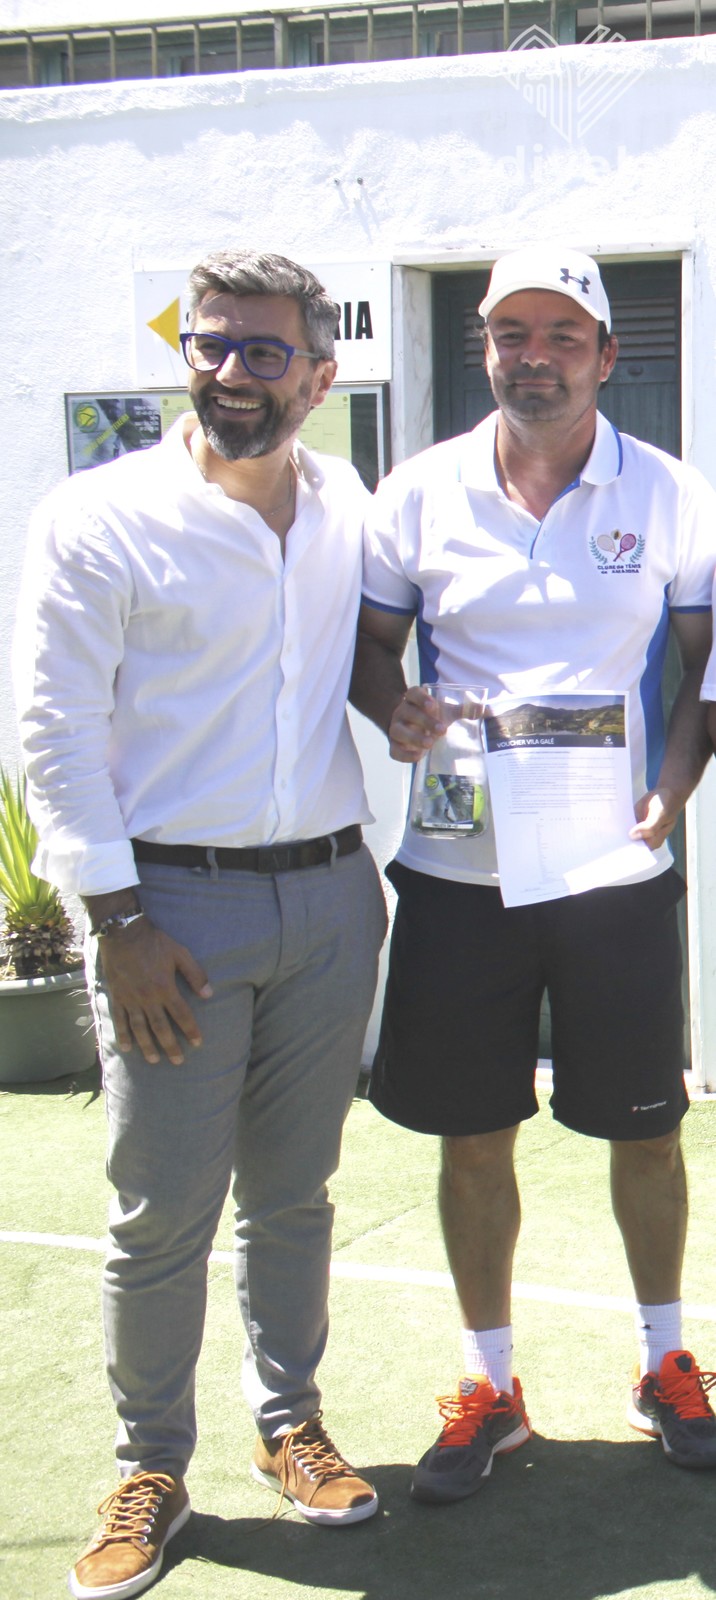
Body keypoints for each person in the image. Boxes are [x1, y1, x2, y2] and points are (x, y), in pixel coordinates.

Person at [14, 249, 387, 1600]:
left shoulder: (348, 507)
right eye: (209, 344)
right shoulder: (99, 517)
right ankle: (150, 1467)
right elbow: (53, 732)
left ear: (318, 377)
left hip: (334, 897)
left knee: (293, 1194)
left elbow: (366, 654)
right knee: (162, 1207)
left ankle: (290, 1426)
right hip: (169, 911)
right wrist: (114, 919)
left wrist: (408, 705)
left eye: (261, 351)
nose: (229, 371)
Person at [350, 244, 716, 1505]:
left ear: (606, 357)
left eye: (563, 337)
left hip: (610, 865)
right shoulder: (417, 491)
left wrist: (676, 784)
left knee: (646, 1129)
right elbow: (371, 649)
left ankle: (664, 1363)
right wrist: (392, 706)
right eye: (512, 333)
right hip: (459, 872)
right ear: (485, 349)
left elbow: (703, 664)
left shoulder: (669, 493)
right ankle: (489, 1387)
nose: (534, 357)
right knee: (472, 1134)